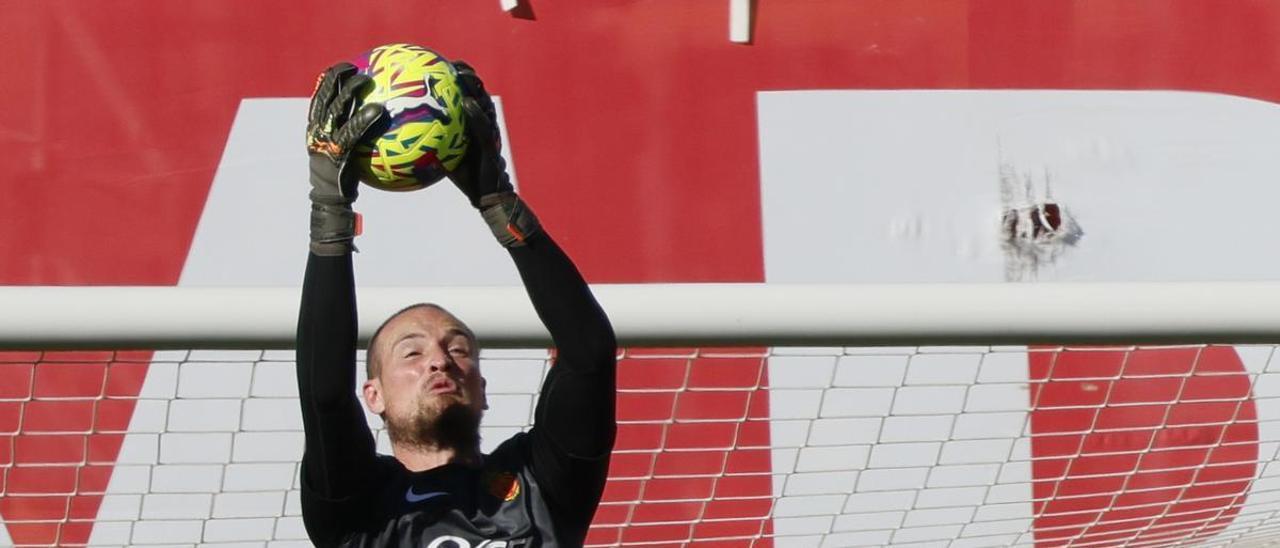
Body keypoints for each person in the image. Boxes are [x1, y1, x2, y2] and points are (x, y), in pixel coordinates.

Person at [296, 61, 618, 548]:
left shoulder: (541, 487)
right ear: (373, 396)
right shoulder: (358, 509)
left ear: (482, 388)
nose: (439, 360)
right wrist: (330, 209)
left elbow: (590, 355)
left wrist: (500, 205)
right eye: (411, 352)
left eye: (458, 348)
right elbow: (324, 395)